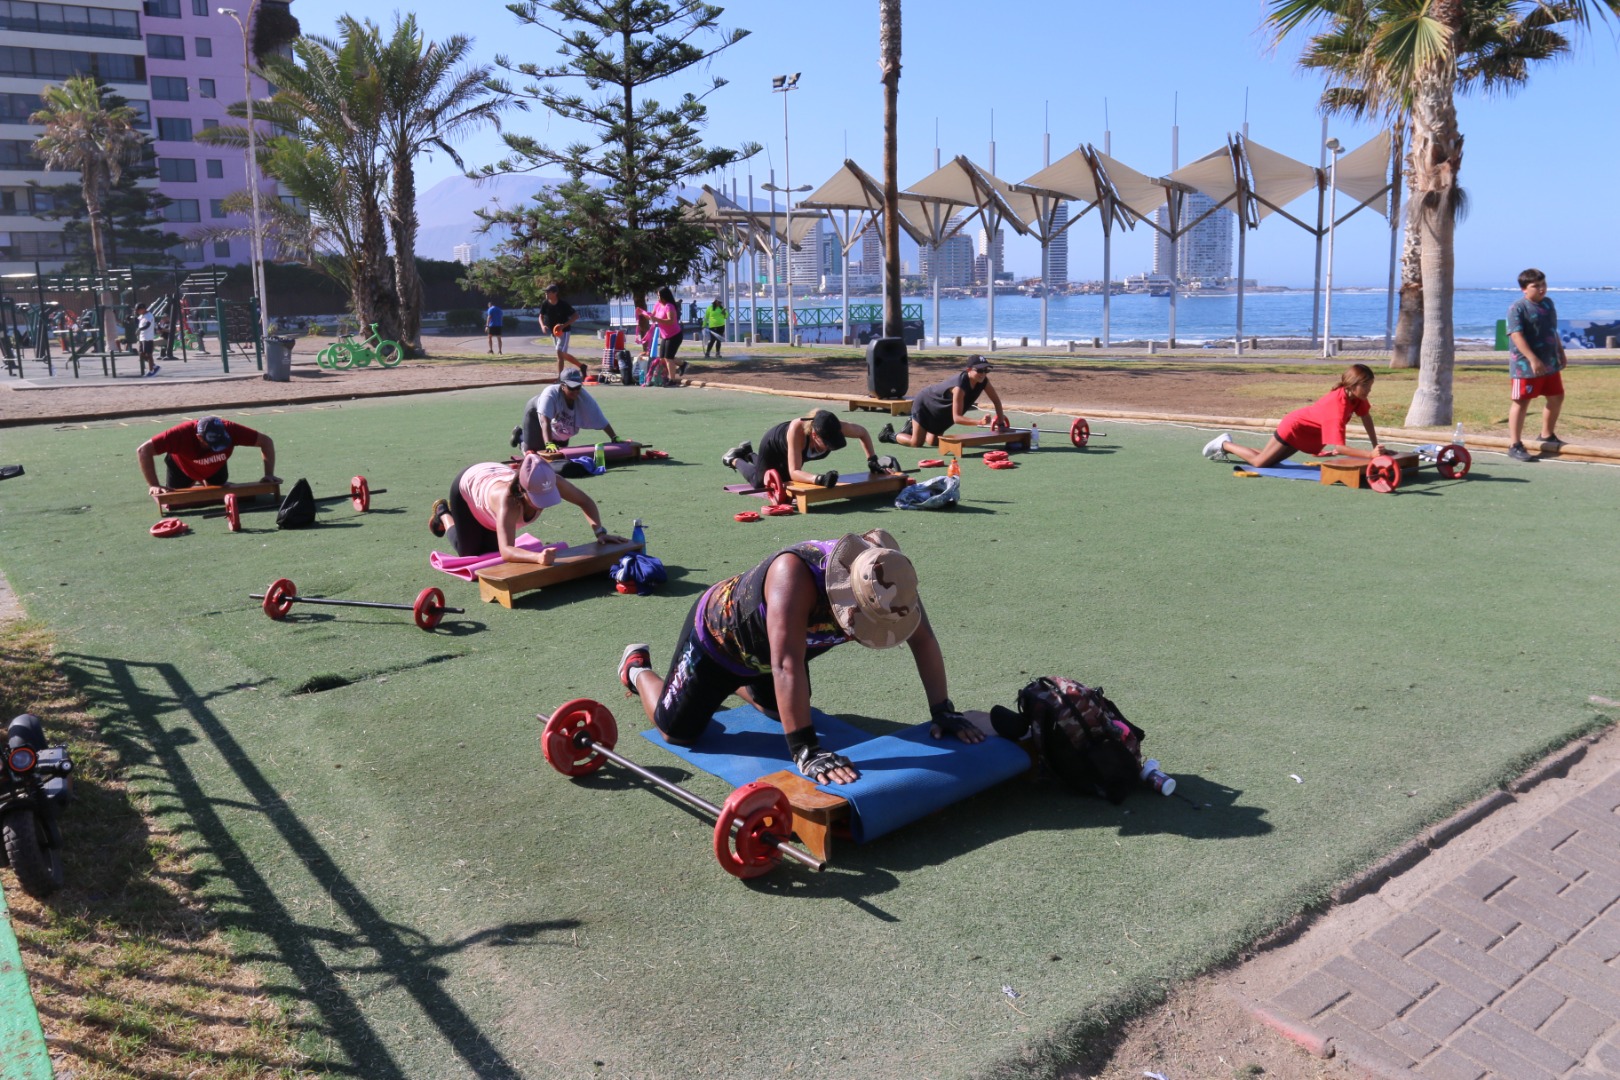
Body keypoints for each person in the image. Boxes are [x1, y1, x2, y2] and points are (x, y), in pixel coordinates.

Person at [616, 529, 984, 786]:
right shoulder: (794, 574)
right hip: (717, 640)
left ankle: (731, 685)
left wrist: (943, 711)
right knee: (676, 731)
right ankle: (637, 669)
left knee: (783, 711)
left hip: (772, 652)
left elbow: (924, 640)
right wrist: (806, 751)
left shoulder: (890, 578)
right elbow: (786, 665)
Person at [428, 453, 626, 563]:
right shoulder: (509, 501)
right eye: (536, 498)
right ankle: (444, 513)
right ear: (522, 491)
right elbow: (507, 551)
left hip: (492, 477)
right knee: (470, 554)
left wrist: (600, 532)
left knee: (489, 549)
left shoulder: (552, 480)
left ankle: (470, 524)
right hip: (468, 487)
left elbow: (586, 501)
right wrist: (537, 558)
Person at [1200, 363, 1386, 468]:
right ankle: (1225, 444)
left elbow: (1366, 417)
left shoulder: (1357, 397)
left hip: (1304, 434)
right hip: (1294, 428)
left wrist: (1375, 446)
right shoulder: (1337, 406)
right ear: (1352, 386)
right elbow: (1340, 447)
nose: (1369, 390)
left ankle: (1226, 444)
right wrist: (1370, 454)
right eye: (1366, 386)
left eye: (1371, 386)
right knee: (1260, 463)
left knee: (1270, 460)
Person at [720, 409, 893, 491]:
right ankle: (734, 458)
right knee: (761, 482)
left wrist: (872, 461)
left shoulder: (835, 426)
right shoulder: (798, 430)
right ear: (815, 434)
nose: (829, 446)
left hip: (793, 450)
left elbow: (862, 433)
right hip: (773, 444)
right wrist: (820, 479)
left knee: (783, 475)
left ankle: (749, 453)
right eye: (827, 443)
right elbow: (795, 471)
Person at [1505, 267, 1567, 461]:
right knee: (1522, 402)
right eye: (1536, 286)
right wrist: (1532, 359)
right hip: (1525, 366)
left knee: (1556, 396)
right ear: (1524, 288)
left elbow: (1552, 331)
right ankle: (1515, 444)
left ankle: (1547, 435)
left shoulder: (1548, 304)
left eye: (1543, 284)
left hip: (1549, 363)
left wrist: (1560, 351)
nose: (1541, 289)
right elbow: (1516, 335)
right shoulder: (1518, 308)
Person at [879, 355, 1007, 447]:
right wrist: (979, 422)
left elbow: (996, 402)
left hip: (940, 410)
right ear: (969, 370)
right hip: (925, 403)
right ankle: (889, 434)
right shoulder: (959, 387)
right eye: (979, 370)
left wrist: (1001, 424)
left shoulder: (983, 381)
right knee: (916, 442)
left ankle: (915, 425)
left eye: (986, 370)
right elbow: (957, 418)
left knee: (934, 442)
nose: (983, 373)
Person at [137, 416, 278, 496]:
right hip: (183, 466)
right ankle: (196, 480)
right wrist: (154, 485)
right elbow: (143, 451)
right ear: (199, 437)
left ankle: (207, 480)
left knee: (216, 490)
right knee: (177, 499)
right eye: (212, 444)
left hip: (215, 466)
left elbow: (266, 442)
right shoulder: (180, 434)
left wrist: (269, 474)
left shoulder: (232, 429)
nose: (215, 447)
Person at [512, 367, 622, 451]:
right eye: (571, 387)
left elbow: (599, 418)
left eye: (578, 387)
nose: (575, 391)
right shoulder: (550, 394)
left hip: (557, 423)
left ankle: (544, 440)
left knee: (560, 450)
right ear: (562, 385)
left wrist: (614, 437)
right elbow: (544, 421)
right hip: (536, 414)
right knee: (534, 452)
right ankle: (520, 437)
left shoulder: (583, 397)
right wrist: (548, 444)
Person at [539, 284, 585, 379]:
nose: (546, 293)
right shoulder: (545, 303)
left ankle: (560, 378)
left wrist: (563, 326)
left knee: (559, 354)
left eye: (548, 292)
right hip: (554, 333)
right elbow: (540, 316)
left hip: (564, 332)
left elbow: (576, 316)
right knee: (562, 354)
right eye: (545, 292)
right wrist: (542, 325)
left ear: (555, 293)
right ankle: (582, 366)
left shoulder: (563, 304)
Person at [638, 287, 685, 377]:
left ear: (664, 296)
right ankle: (682, 364)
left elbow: (670, 321)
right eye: (657, 296)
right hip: (665, 336)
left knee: (668, 358)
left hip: (675, 335)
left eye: (659, 296)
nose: (658, 298)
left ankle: (672, 380)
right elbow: (651, 316)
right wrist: (642, 313)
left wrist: (657, 319)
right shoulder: (658, 305)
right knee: (663, 358)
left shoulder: (669, 306)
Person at [136, 304, 159, 377]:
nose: (138, 312)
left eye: (139, 310)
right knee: (141, 354)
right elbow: (136, 319)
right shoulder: (142, 316)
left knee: (148, 354)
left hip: (148, 338)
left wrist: (140, 329)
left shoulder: (149, 315)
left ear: (143, 309)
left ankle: (151, 371)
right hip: (142, 338)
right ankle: (154, 366)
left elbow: (147, 325)